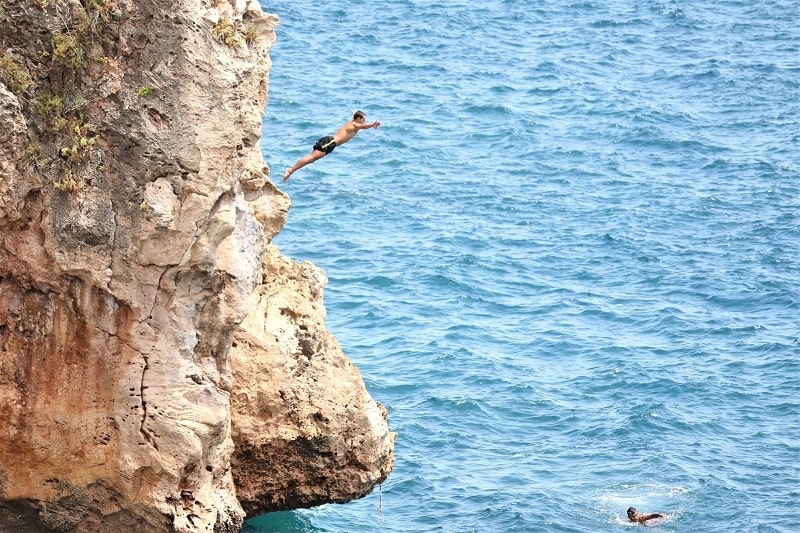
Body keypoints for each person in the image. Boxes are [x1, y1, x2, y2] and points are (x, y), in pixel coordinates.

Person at [282, 111, 381, 181]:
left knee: (311, 159)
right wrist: (372, 124)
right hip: (330, 142)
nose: (363, 122)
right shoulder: (355, 124)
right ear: (358, 119)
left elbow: (355, 114)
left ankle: (291, 170)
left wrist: (354, 112)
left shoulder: (352, 121)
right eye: (363, 120)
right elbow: (363, 126)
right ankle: (290, 170)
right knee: (310, 158)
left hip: (330, 142)